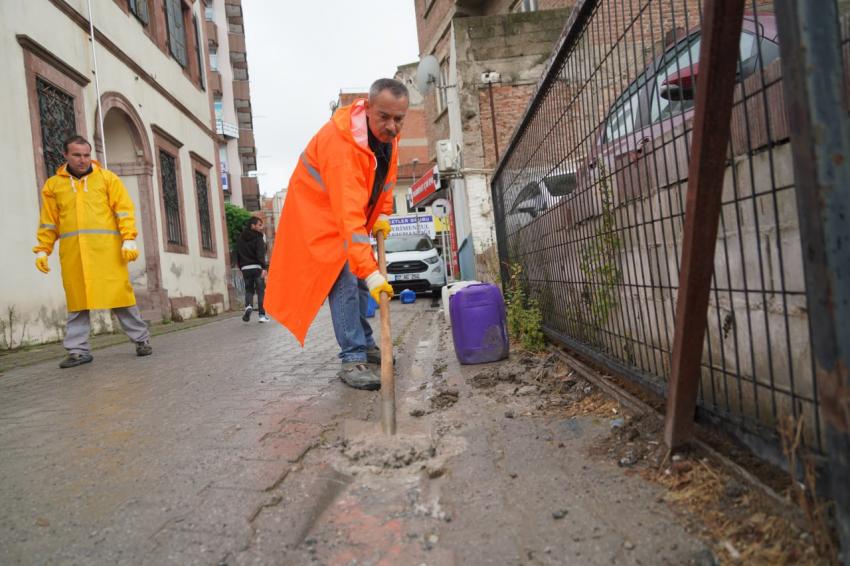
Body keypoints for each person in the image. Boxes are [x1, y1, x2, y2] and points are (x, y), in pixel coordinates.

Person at [265, 78, 409, 390]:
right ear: (368, 108)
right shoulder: (343, 143)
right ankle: (352, 357)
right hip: (317, 216)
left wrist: (384, 211)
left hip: (345, 215)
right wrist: (372, 274)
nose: (393, 126)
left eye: (399, 119)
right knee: (345, 278)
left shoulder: (387, 137)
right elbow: (348, 216)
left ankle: (366, 344)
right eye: (385, 117)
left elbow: (387, 178)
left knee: (358, 279)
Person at [33, 135, 152, 368]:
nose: (82, 160)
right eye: (77, 155)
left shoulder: (107, 179)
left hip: (107, 253)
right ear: (65, 155)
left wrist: (129, 239)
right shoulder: (53, 186)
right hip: (75, 255)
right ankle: (77, 351)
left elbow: (124, 211)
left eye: (86, 155)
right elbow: (49, 222)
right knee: (78, 303)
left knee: (121, 299)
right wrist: (42, 250)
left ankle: (142, 340)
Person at [236, 216, 269, 323]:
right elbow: (260, 254)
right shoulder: (258, 238)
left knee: (249, 289)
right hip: (257, 268)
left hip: (245, 268)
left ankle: (248, 306)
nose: (261, 227)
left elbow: (237, 254)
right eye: (259, 225)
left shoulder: (240, 238)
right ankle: (262, 315)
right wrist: (264, 267)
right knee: (260, 291)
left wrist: (241, 267)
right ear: (252, 226)